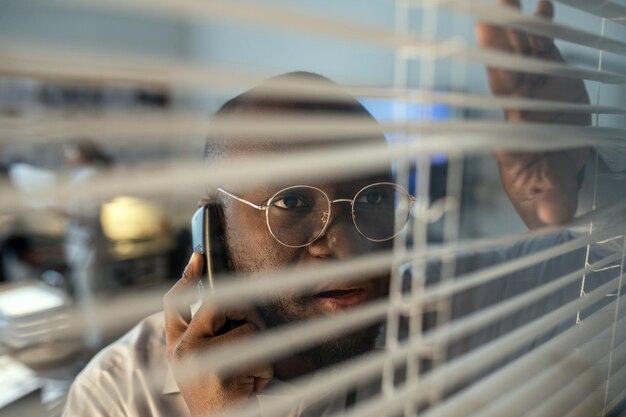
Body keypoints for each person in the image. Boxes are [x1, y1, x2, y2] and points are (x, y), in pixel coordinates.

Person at [62, 1, 624, 416]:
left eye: (375, 199)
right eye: (294, 202)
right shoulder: (117, 396)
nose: (348, 243)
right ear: (214, 229)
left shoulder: (468, 308)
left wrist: (573, 188)